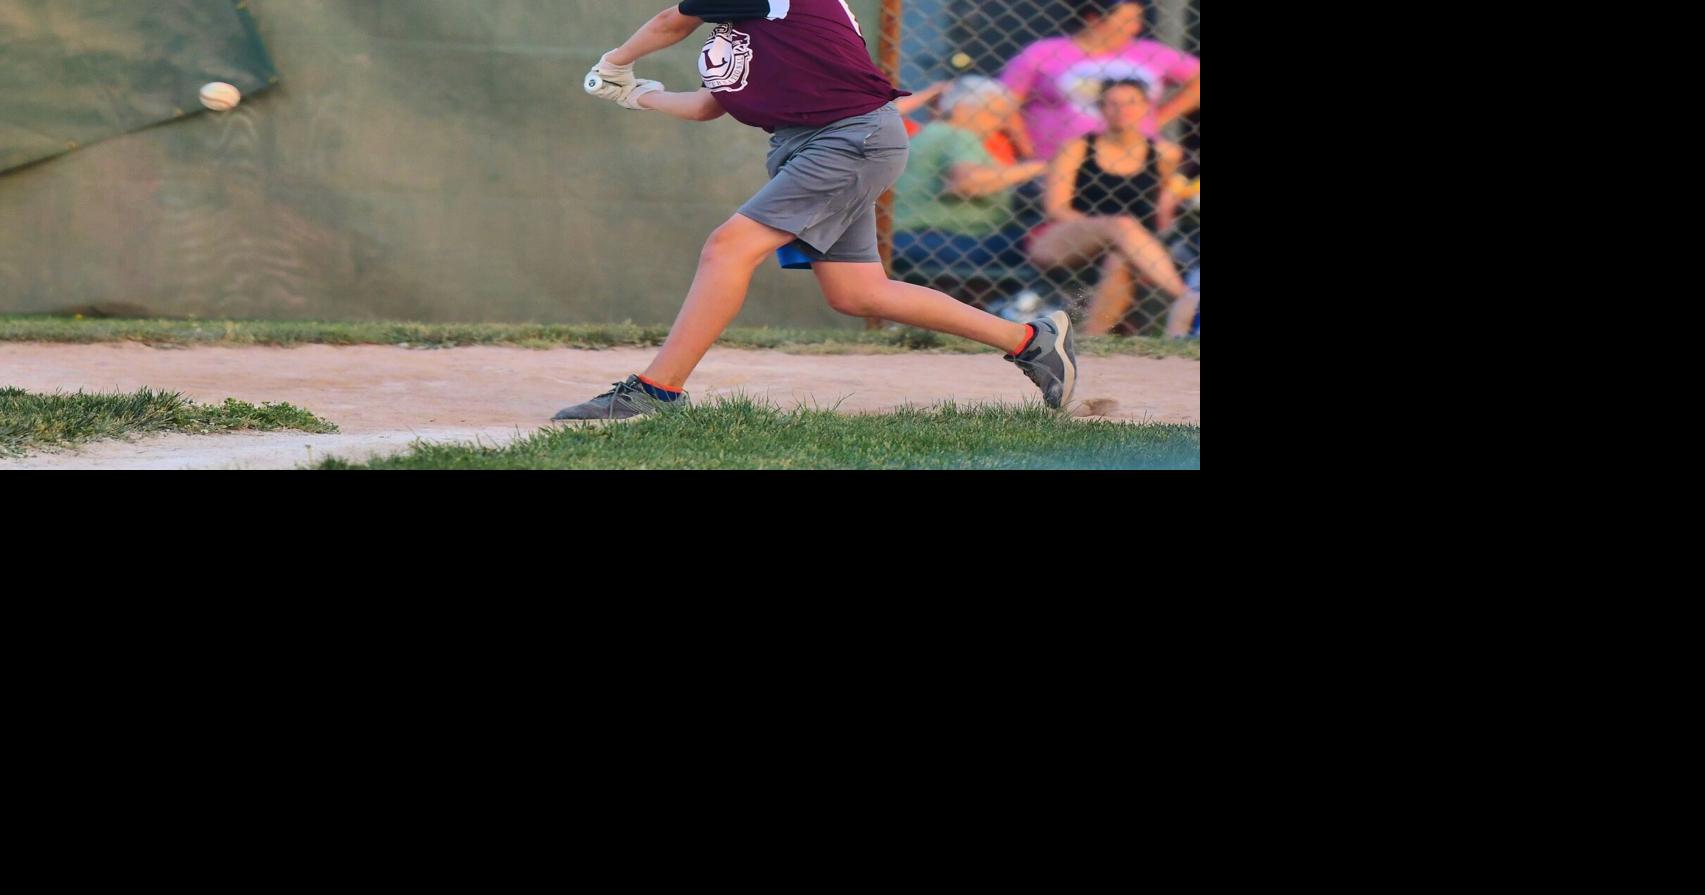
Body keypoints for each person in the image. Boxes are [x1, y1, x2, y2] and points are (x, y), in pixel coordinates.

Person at [553, 1, 1077, 421]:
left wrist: (615, 62)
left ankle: (656, 390)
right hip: (819, 143)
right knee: (858, 293)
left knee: (727, 248)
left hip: (848, 139)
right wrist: (635, 96)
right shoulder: (742, 27)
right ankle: (1031, 341)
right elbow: (707, 105)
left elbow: (670, 23)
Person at [1027, 79, 1197, 337]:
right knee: (1121, 225)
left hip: (1133, 248)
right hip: (1068, 236)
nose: (1122, 110)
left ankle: (1092, 340)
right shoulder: (1077, 148)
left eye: (1131, 103)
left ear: (1146, 108)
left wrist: (1132, 241)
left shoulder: (1165, 153)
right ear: (1101, 109)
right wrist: (1107, 230)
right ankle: (1186, 297)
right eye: (1113, 103)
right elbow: (1056, 208)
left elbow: (1161, 213)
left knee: (1119, 260)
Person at [1000, 1, 1200, 161]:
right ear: (1093, 18)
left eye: (1138, 19)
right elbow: (1005, 103)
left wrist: (1161, 116)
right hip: (1054, 160)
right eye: (1126, 20)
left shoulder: (1150, 52)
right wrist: (1028, 150)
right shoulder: (1043, 52)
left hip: (1134, 162)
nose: (1135, 27)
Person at [892, 77, 1049, 275]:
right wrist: (1039, 167)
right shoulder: (959, 135)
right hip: (944, 240)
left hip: (911, 239)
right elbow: (965, 182)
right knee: (1046, 240)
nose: (1000, 124)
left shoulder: (929, 133)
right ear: (960, 108)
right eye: (993, 114)